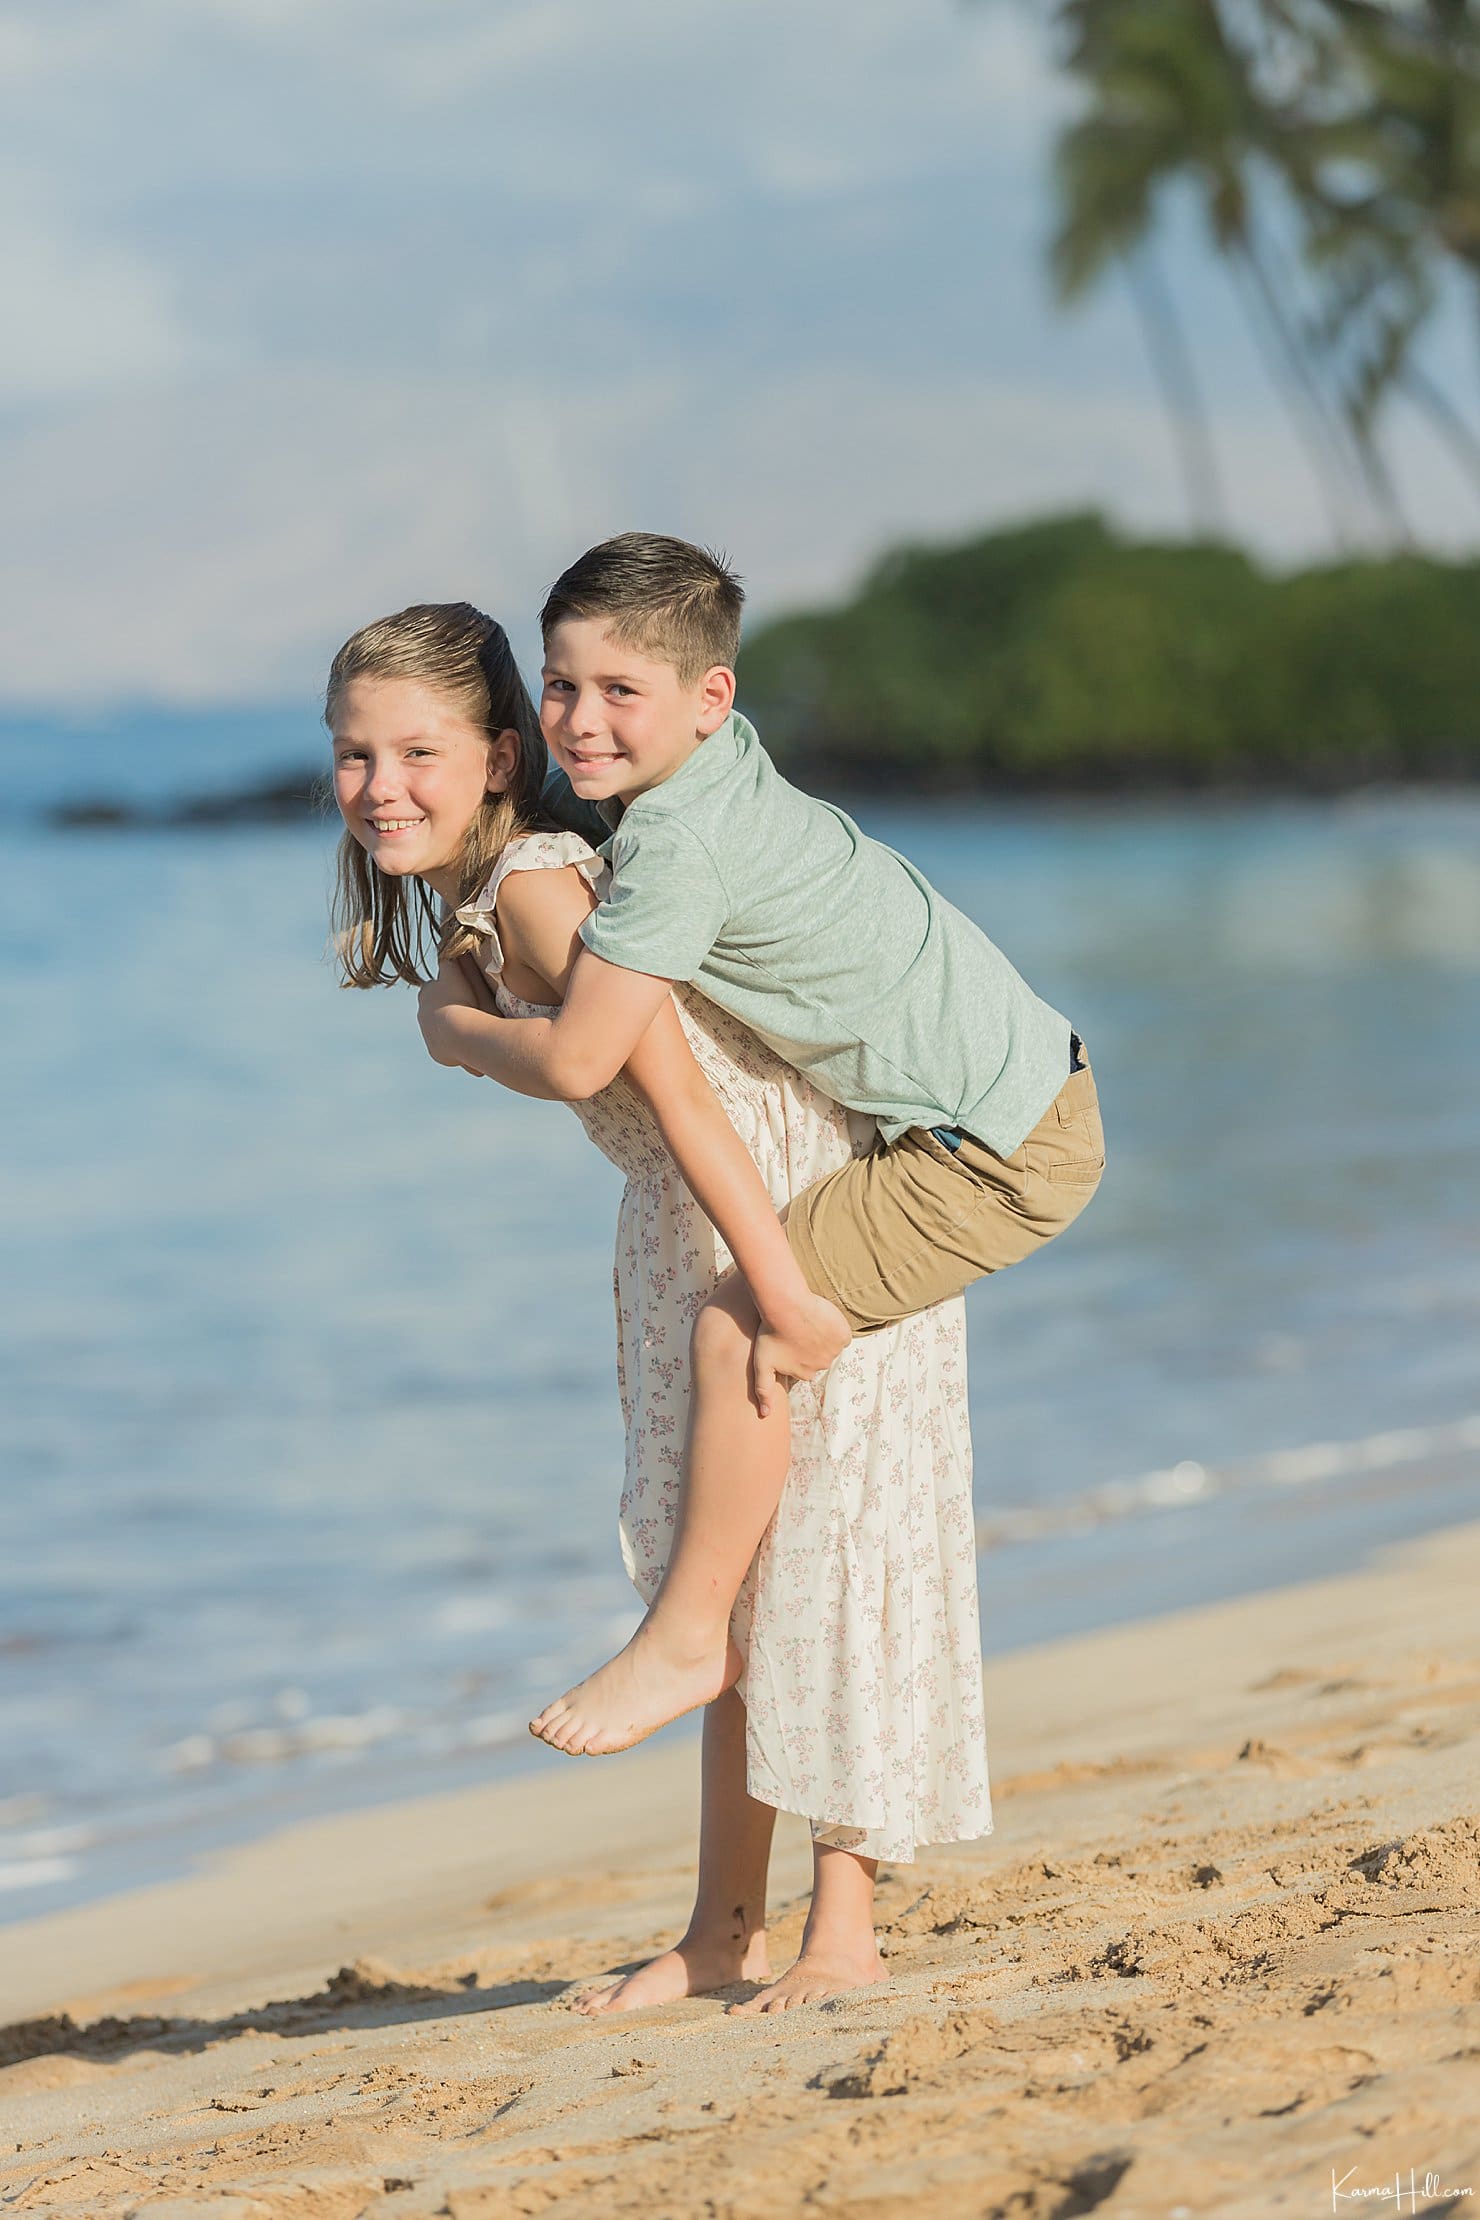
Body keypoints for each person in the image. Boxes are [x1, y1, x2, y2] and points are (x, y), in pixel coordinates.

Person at [326, 601, 992, 2014]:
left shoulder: (540, 886)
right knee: (735, 1589)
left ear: (501, 754)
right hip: (695, 1227)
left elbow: (678, 1085)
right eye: (353, 756)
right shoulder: (483, 896)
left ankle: (844, 1936)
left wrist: (782, 1284)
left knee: (823, 1561)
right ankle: (719, 1932)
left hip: (779, 1208)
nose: (382, 787)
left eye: (418, 752)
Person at [416, 534, 1106, 1768]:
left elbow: (580, 1058)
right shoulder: (714, 774)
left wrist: (457, 1026)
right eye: (561, 685)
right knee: (757, 1320)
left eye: (621, 693)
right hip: (1020, 1091)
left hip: (993, 1152)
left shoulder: (678, 849)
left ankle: (688, 1636)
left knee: (742, 1323)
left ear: (711, 698)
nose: (582, 720)